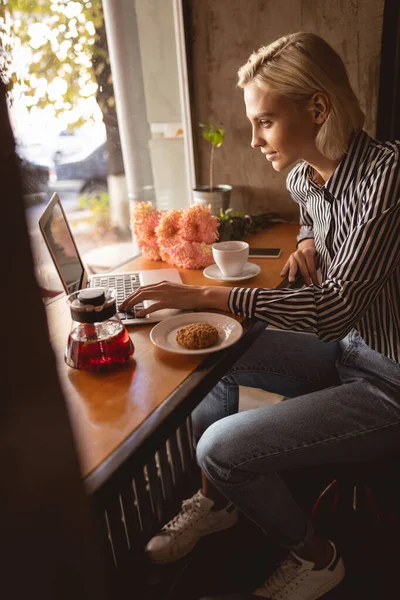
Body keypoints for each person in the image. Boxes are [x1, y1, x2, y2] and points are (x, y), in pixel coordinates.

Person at [120, 32, 400, 600]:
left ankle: (318, 558)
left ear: (317, 108)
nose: (253, 140)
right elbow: (314, 218)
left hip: (390, 380)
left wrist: (206, 298)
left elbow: (332, 307)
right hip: (348, 349)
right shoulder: (303, 176)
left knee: (218, 445)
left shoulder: (389, 178)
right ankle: (219, 501)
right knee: (225, 350)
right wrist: (308, 242)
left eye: (265, 122)